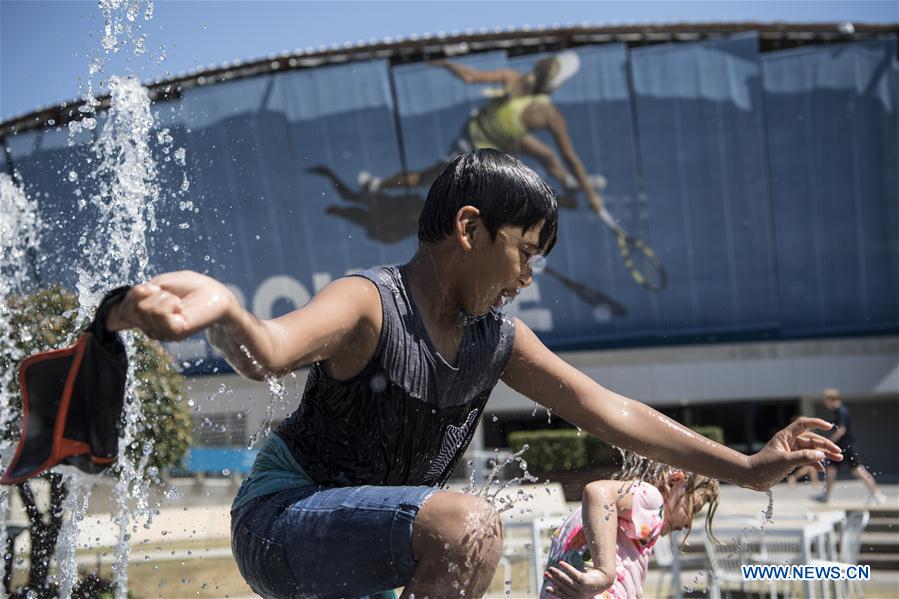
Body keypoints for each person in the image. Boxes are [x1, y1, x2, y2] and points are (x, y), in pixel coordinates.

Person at [105, 150, 840, 598]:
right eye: (523, 251)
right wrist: (226, 308)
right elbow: (267, 347)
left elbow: (611, 410)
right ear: (468, 228)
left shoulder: (497, 340)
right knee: (470, 525)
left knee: (464, 529)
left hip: (366, 547)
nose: (526, 276)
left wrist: (745, 467)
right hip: (280, 523)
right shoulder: (369, 304)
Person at [361, 52, 606, 214]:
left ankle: (570, 185)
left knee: (547, 155)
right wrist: (592, 196)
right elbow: (571, 158)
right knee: (426, 178)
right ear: (557, 85)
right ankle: (378, 185)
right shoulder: (550, 115)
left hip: (499, 139)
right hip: (472, 147)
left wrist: (446, 63)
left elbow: (469, 77)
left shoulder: (513, 79)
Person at [540, 454, 719, 599]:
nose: (688, 522)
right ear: (674, 481)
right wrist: (605, 573)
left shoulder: (600, 516)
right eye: (693, 508)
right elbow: (596, 492)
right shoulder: (652, 498)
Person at [814, 388, 886, 506]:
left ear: (831, 399)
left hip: (847, 447)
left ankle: (877, 494)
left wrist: (827, 443)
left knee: (858, 470)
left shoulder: (841, 411)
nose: (825, 403)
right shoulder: (838, 411)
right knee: (831, 469)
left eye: (826, 400)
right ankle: (825, 496)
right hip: (841, 447)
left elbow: (841, 430)